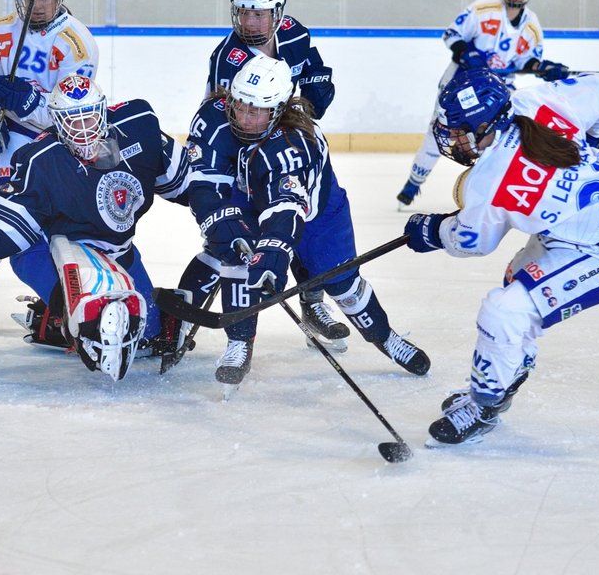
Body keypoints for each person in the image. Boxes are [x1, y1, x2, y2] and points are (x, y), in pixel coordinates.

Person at [403, 68, 599, 446]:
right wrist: (598, 141)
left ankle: (484, 406)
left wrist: (432, 231)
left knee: (503, 312)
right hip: (589, 221)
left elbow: (472, 241)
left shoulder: (490, 180)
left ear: (487, 127)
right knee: (518, 276)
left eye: (458, 132)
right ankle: (511, 367)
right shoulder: (539, 100)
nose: (453, 140)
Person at [0, 73, 190, 380]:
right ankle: (65, 316)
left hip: (117, 252)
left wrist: (221, 211)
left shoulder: (137, 125)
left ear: (103, 112)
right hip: (59, 252)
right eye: (72, 121)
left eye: (89, 118)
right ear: (58, 124)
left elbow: (189, 179)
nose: (83, 130)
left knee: (147, 335)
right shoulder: (41, 159)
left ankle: (53, 320)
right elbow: (4, 216)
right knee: (89, 317)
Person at [181, 56, 430, 390]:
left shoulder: (293, 144)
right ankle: (239, 342)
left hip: (317, 215)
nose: (244, 117)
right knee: (237, 259)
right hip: (250, 198)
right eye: (240, 106)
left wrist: (274, 250)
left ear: (280, 109)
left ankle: (386, 337)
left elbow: (286, 209)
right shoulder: (214, 115)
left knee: (342, 283)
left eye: (256, 111)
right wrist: (217, 217)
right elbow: (200, 179)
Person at [202, 0, 346, 349]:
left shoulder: (295, 33)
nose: (250, 22)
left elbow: (312, 69)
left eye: (259, 13)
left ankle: (312, 300)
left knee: (304, 222)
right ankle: (229, 326)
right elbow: (220, 116)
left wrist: (318, 87)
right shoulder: (227, 59)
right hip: (243, 152)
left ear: (277, 12)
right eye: (244, 12)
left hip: (283, 143)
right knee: (244, 236)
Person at [396, 0, 572, 207]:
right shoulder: (483, 8)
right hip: (460, 85)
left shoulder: (531, 24)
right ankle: (413, 184)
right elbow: (452, 35)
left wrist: (544, 68)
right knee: (440, 134)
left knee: (502, 138)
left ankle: (490, 188)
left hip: (496, 92)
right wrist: (466, 54)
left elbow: (528, 61)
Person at [0, 0, 99, 188]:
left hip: (60, 139)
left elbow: (74, 115)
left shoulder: (78, 45)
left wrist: (31, 102)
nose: (37, 5)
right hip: (15, 129)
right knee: (6, 203)